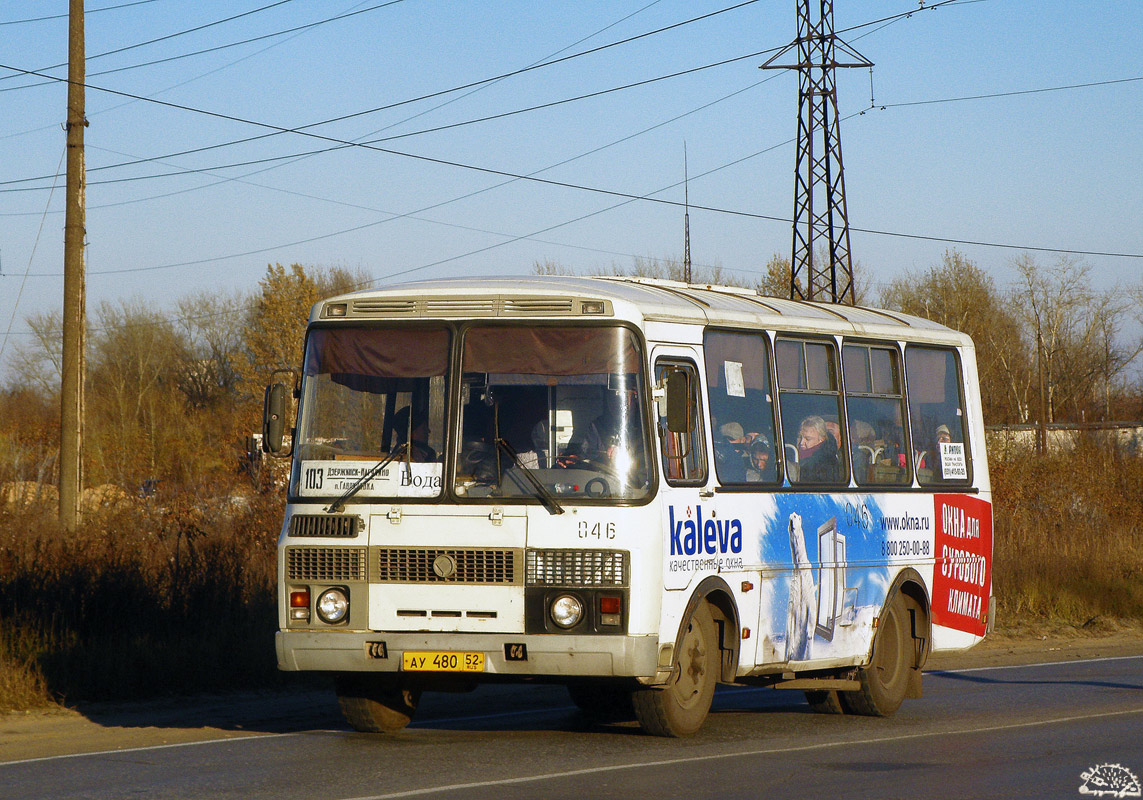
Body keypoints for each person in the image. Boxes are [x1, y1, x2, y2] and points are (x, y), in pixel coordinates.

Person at [796, 415, 840, 482]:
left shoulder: (826, 464)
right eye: (800, 437)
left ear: (821, 439)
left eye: (808, 439)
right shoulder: (790, 456)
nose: (801, 443)